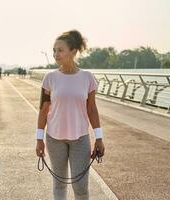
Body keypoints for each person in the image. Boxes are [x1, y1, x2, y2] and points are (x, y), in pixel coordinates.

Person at [35, 29, 105, 200]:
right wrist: (39, 139)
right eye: (54, 50)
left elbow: (92, 109)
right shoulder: (50, 78)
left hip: (80, 139)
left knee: (80, 187)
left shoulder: (87, 77)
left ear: (73, 51)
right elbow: (43, 110)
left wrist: (99, 138)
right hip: (54, 138)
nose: (55, 54)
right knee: (59, 185)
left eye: (60, 50)